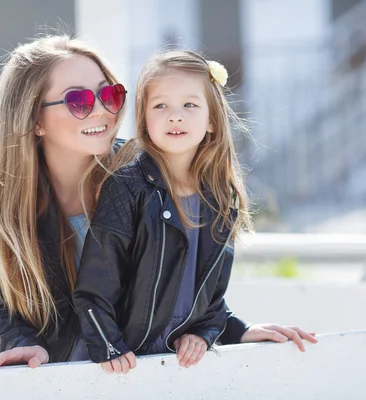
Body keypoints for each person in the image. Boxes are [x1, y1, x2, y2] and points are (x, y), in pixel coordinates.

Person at [0, 35, 316, 370]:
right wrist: (20, 344)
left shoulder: (141, 176)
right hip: (24, 370)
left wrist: (235, 329)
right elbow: (1, 301)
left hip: (115, 371)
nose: (102, 111)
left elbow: (177, 282)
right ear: (34, 119)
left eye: (110, 95)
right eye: (79, 101)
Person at [72, 50, 317, 374]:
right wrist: (110, 347)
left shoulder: (220, 197)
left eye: (190, 105)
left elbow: (209, 298)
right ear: (144, 118)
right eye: (161, 106)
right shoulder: (127, 187)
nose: (176, 116)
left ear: (212, 119)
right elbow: (93, 288)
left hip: (176, 365)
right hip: (121, 363)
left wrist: (209, 333)